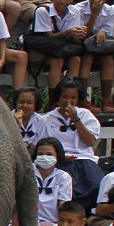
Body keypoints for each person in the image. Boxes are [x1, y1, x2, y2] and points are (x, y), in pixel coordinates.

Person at [43, 80, 103, 212]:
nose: (68, 101)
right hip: (59, 161)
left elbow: (90, 142)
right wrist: (61, 157)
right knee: (67, 187)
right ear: (58, 97)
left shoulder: (85, 115)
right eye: (64, 97)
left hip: (83, 159)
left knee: (95, 184)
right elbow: (43, 145)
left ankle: (87, 216)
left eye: (73, 98)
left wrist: (76, 119)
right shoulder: (47, 119)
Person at [24, 0, 84, 89]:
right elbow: (49, 36)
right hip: (44, 49)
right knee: (57, 61)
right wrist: (67, 33)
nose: (62, 2)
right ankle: (54, 98)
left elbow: (72, 36)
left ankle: (70, 93)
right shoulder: (42, 11)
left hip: (61, 48)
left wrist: (77, 33)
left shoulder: (75, 11)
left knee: (76, 60)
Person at [72, 0, 114, 110]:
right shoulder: (78, 9)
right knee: (87, 58)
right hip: (83, 48)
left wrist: (102, 31)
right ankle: (82, 99)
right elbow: (83, 35)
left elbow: (109, 36)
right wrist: (94, 14)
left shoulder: (111, 11)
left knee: (108, 59)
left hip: (101, 48)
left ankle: (107, 101)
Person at [33, 137, 73, 226]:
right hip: (28, 222)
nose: (44, 157)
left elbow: (63, 204)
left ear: (57, 156)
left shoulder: (63, 177)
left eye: (49, 154)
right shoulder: (27, 173)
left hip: (53, 224)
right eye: (40, 154)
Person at [13, 86, 45, 150]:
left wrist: (27, 145)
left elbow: (40, 142)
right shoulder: (7, 117)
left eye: (29, 103)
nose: (25, 106)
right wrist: (16, 125)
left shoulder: (40, 120)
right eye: (21, 102)